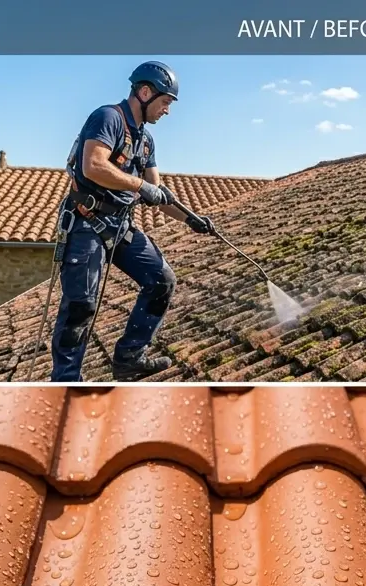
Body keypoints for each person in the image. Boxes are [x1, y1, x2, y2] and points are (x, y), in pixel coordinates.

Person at [49, 61, 215, 381]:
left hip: (120, 226)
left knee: (161, 280)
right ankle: (66, 382)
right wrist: (140, 186)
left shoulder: (146, 141)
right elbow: (94, 165)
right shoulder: (108, 117)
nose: (167, 110)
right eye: (165, 102)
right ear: (144, 92)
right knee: (81, 304)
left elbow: (158, 193)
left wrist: (192, 219)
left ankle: (130, 357)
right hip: (86, 223)